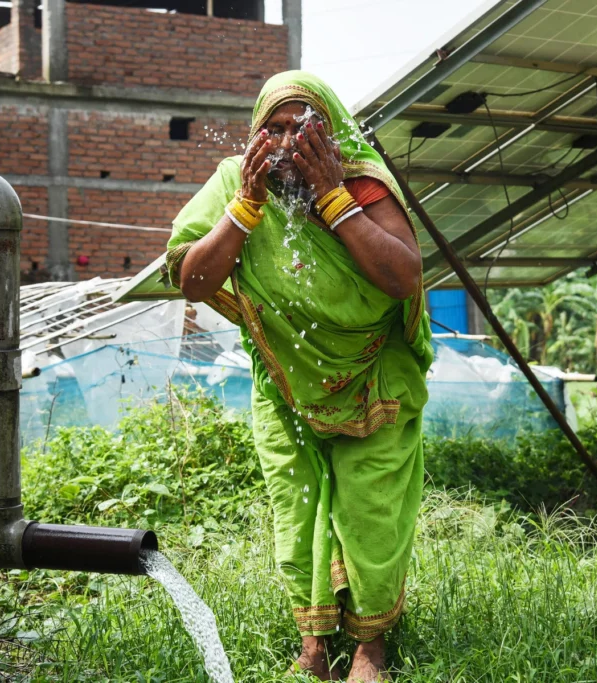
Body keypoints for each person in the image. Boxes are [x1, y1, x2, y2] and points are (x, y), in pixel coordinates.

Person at [166, 70, 433, 683]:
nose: (286, 143)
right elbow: (194, 279)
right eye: (273, 128)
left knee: (371, 510)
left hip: (372, 377)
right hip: (285, 379)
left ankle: (371, 644)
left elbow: (403, 278)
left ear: (331, 136)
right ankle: (313, 640)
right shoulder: (238, 181)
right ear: (255, 136)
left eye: (302, 128)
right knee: (297, 505)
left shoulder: (360, 179)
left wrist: (334, 197)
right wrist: (246, 208)